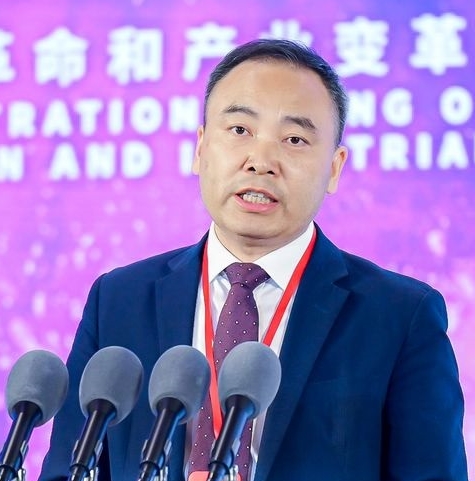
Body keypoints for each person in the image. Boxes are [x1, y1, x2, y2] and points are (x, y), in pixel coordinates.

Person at [39, 39, 468, 481]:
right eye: (240, 130)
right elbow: (66, 469)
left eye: (294, 139)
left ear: (334, 168)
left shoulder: (400, 316)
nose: (261, 162)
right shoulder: (119, 301)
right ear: (200, 148)